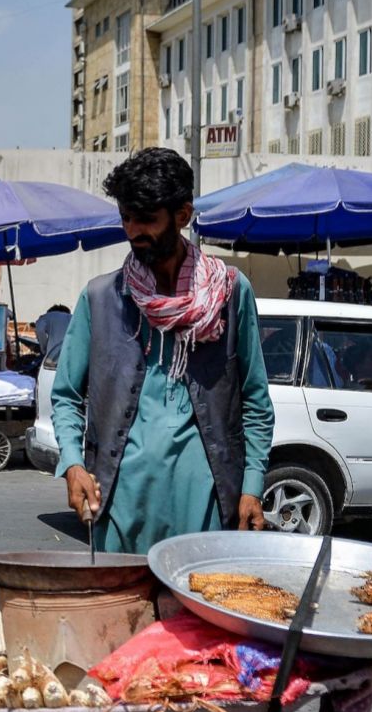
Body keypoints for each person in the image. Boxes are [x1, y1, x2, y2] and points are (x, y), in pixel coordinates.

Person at [51, 148, 275, 554]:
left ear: (182, 215)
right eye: (126, 218)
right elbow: (66, 397)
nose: (133, 230)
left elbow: (256, 400)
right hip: (118, 504)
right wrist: (72, 464)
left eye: (147, 219)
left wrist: (252, 487)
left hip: (207, 506)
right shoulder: (101, 298)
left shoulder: (230, 293)